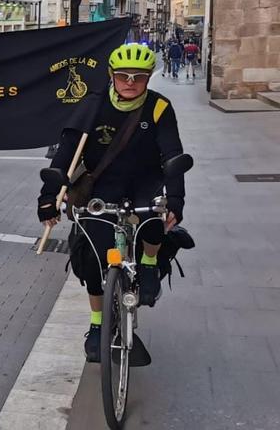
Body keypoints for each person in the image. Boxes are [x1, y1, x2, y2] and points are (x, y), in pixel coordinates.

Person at [37, 43, 186, 362]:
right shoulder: (92, 106)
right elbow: (64, 154)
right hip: (103, 186)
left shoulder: (159, 108)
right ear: (111, 76)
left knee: (153, 220)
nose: (130, 82)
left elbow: (173, 155)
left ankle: (148, 264)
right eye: (123, 76)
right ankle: (97, 324)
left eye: (139, 76)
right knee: (92, 254)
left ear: (148, 77)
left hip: (145, 180)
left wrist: (176, 198)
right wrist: (49, 197)